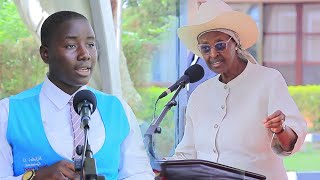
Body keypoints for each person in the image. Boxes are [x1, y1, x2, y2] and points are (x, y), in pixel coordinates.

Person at [0, 11, 154, 180]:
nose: (85, 54)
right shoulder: (8, 113)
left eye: (91, 44)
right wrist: (34, 177)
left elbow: (140, 175)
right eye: (71, 46)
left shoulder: (118, 110)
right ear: (45, 54)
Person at [168, 0, 308, 179]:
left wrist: (280, 130)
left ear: (235, 42)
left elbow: (292, 143)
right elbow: (187, 153)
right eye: (205, 48)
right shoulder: (200, 95)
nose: (213, 54)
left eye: (220, 45)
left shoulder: (268, 80)